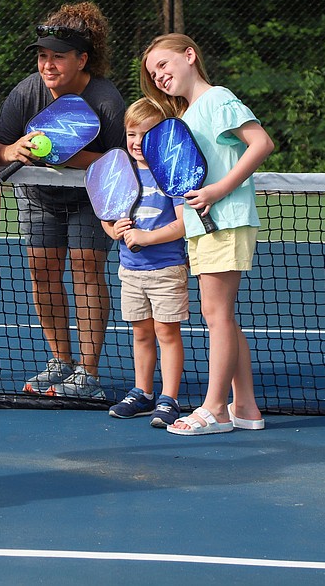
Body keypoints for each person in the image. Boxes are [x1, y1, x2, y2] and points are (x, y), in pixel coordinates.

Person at [140, 32, 274, 436]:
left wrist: (218, 190)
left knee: (216, 317)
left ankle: (215, 408)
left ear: (190, 55)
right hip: (204, 225)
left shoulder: (217, 98)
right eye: (152, 73)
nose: (159, 76)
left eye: (164, 65)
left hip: (225, 219)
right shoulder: (186, 114)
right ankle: (245, 407)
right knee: (222, 319)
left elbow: (260, 143)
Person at [0, 1, 126, 399]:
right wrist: (13, 149)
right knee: (41, 270)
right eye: (43, 56)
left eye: (59, 58)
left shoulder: (106, 100)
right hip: (39, 197)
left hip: (89, 196)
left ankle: (88, 371)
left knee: (86, 270)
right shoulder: (26, 92)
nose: (48, 65)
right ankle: (60, 361)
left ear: (83, 59)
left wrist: (72, 157)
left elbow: (123, 161)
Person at [103, 98, 187, 428]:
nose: (137, 142)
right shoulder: (120, 174)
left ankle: (169, 398)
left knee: (167, 334)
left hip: (166, 270)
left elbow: (184, 223)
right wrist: (114, 230)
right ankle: (143, 393)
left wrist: (146, 238)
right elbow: (108, 219)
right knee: (141, 334)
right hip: (131, 271)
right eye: (131, 134)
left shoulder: (172, 174)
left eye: (147, 133)